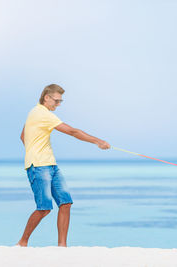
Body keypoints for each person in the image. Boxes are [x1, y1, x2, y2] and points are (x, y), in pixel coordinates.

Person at [17, 84, 110, 247]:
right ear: (46, 97)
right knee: (44, 208)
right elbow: (73, 132)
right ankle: (22, 243)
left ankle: (62, 246)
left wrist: (33, 150)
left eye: (61, 101)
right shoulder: (42, 114)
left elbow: (23, 136)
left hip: (50, 164)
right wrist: (98, 142)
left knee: (65, 203)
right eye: (56, 101)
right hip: (39, 166)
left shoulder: (34, 112)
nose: (58, 105)